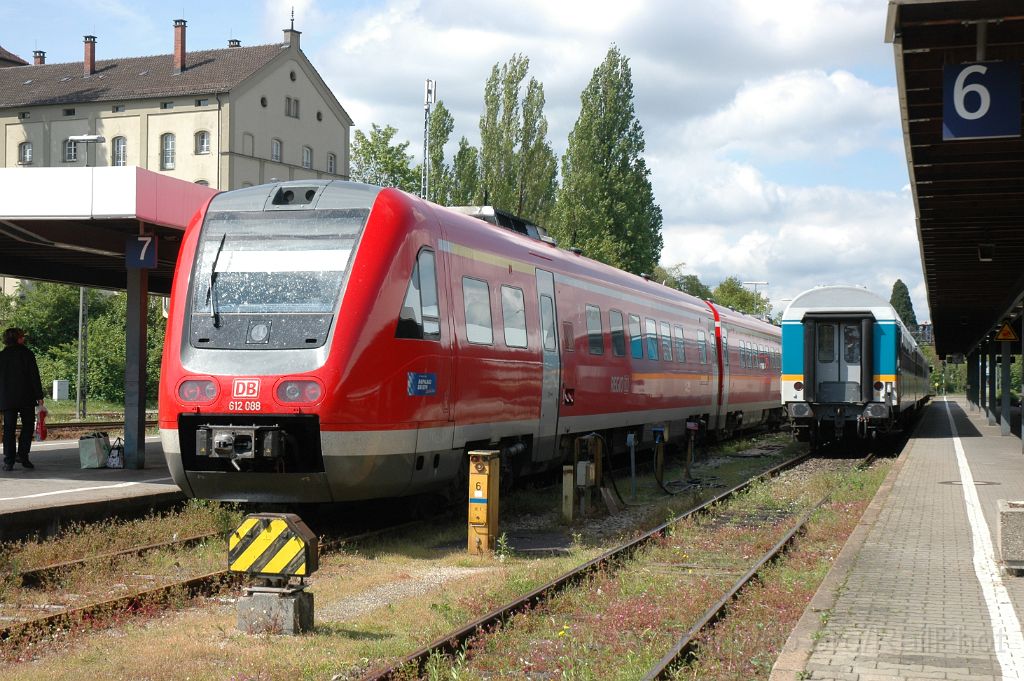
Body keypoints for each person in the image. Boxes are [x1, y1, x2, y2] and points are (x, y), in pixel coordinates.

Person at [0, 327, 44, 471]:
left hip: (7, 398)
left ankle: (8, 461)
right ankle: (23, 455)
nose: (23, 338)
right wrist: (39, 396)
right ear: (18, 339)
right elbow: (34, 376)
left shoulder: (2, 356)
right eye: (22, 336)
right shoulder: (27, 354)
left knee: (8, 429)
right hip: (26, 397)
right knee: (28, 426)